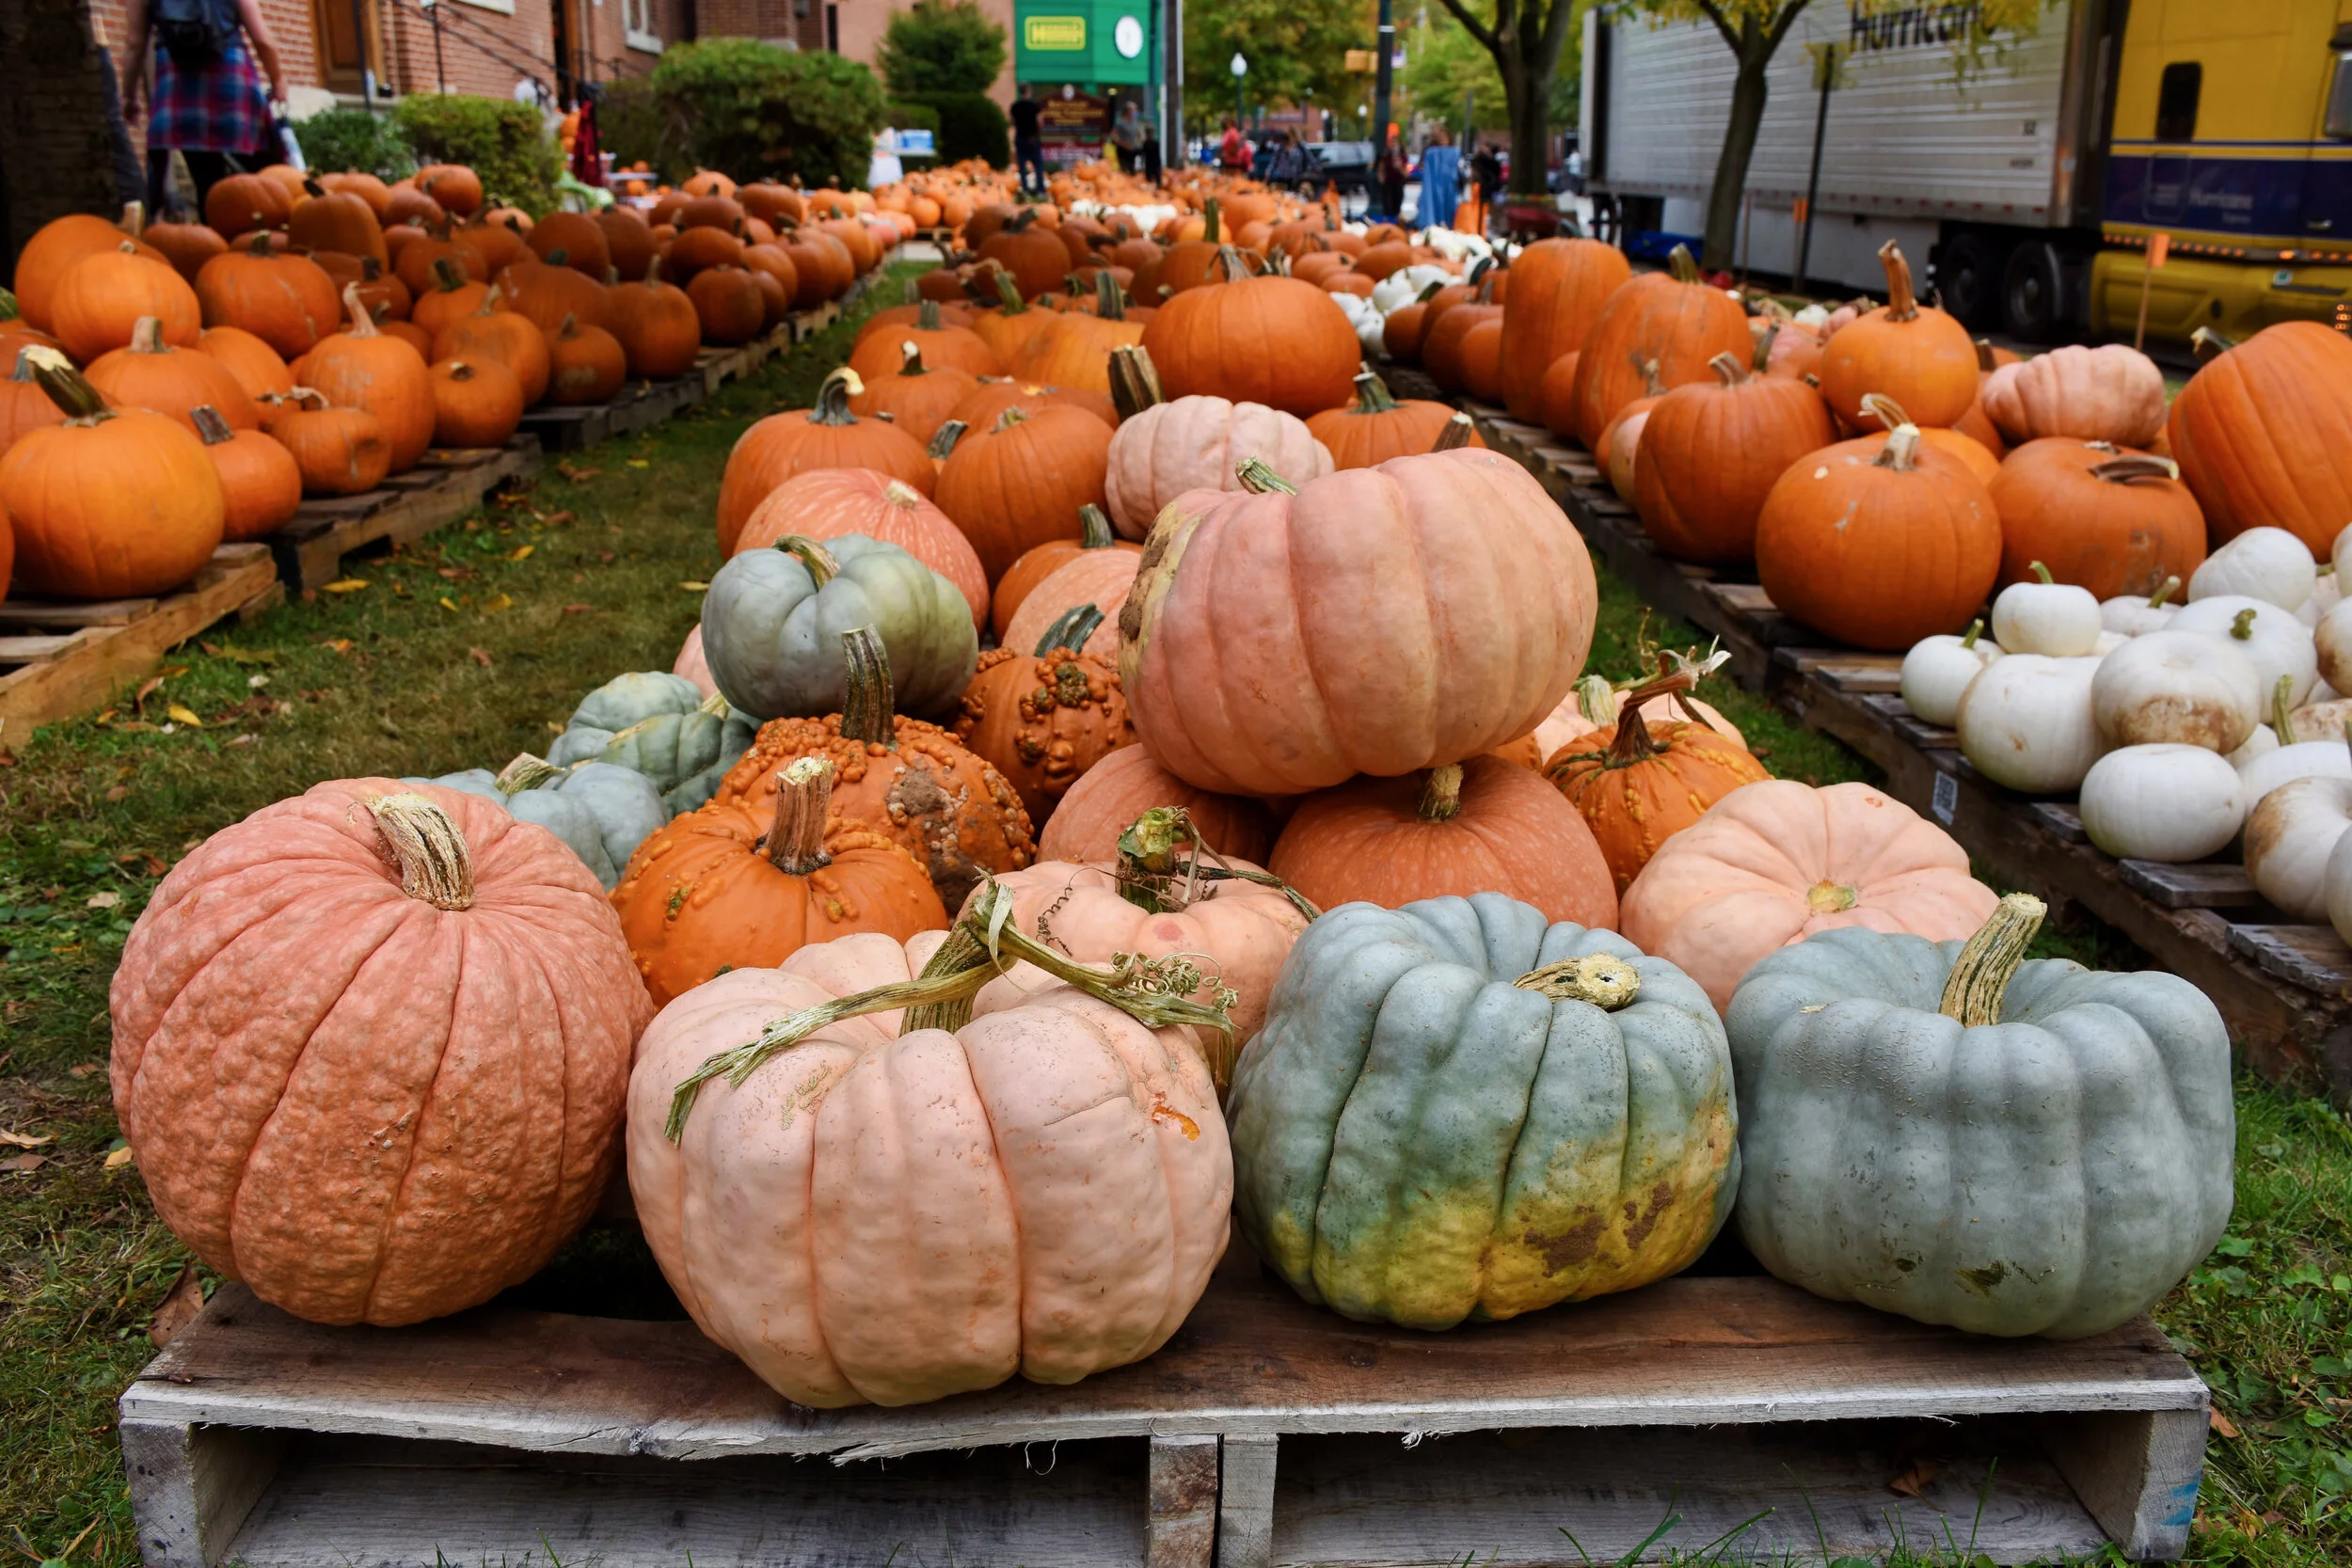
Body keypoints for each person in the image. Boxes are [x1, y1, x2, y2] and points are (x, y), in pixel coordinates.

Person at [120, 0, 287, 221]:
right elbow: (262, 39)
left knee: (206, 183)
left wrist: (128, 94)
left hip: (178, 85)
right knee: (268, 175)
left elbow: (135, 42)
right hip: (231, 78)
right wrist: (277, 79)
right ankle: (276, 227)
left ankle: (218, 242)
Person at [1417, 125, 1460, 234]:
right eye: (1440, 137)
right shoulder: (1431, 152)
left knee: (1449, 208)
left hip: (1449, 185)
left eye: (1444, 137)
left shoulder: (1454, 152)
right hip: (1434, 185)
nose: (1442, 140)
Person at [1010, 84, 1044, 196]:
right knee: (1038, 166)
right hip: (1033, 139)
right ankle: (1040, 190)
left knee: (1022, 166)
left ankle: (1025, 190)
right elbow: (1039, 121)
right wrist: (1036, 133)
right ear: (1028, 91)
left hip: (1020, 138)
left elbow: (1012, 121)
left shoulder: (1015, 106)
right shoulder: (1034, 105)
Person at [1471, 141, 1503, 234]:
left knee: (1487, 211)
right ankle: (1484, 230)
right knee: (1487, 212)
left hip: (1486, 189)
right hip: (1489, 189)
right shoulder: (1493, 162)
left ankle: (1484, 230)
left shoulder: (1486, 161)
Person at [1376, 139, 1408, 225]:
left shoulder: (1402, 156)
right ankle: (1388, 222)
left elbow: (1406, 173)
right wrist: (1381, 178)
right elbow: (1381, 168)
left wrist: (1400, 167)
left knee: (1397, 206)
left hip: (1398, 183)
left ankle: (1395, 222)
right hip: (1388, 183)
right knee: (1387, 205)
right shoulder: (1386, 156)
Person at [1111, 100, 1145, 175]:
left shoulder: (1137, 123)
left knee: (1134, 171)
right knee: (1124, 171)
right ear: (1128, 111)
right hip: (1123, 150)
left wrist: (1139, 143)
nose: (1135, 112)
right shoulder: (1121, 123)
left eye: (1136, 110)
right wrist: (1122, 143)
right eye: (1133, 110)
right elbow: (1113, 135)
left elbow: (1140, 135)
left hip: (1134, 151)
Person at [1140, 120, 1162, 185]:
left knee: (1156, 181)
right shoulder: (1146, 144)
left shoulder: (1155, 143)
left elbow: (1157, 156)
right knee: (1149, 181)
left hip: (1154, 165)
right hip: (1149, 165)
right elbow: (1143, 155)